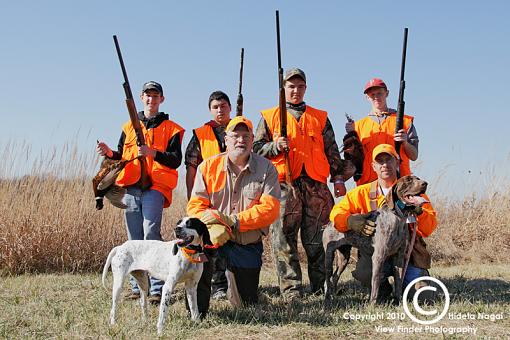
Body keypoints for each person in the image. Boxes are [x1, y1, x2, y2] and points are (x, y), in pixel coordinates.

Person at [253, 68, 355, 298]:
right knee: (283, 241)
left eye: (300, 86)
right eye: (291, 86)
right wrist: (274, 146)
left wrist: (338, 178)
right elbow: (256, 150)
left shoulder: (320, 117)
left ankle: (323, 287)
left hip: (316, 186)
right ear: (284, 89)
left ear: (306, 88)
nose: (295, 90)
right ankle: (291, 291)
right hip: (283, 185)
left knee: (319, 239)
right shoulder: (270, 117)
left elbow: (332, 152)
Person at [96, 81, 184, 304]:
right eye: (147, 95)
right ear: (141, 98)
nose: (151, 99)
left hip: (155, 188)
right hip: (131, 188)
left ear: (161, 99)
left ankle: (157, 288)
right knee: (134, 239)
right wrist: (110, 153)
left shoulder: (173, 128)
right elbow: (121, 156)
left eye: (155, 96)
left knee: (151, 235)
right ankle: (137, 288)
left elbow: (175, 160)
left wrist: (152, 152)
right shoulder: (128, 128)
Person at [187, 116, 280, 315]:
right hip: (212, 240)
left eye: (246, 135)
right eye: (235, 135)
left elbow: (270, 209)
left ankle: (240, 289)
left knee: (246, 305)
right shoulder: (207, 167)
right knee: (195, 252)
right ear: (226, 140)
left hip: (245, 242)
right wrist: (213, 227)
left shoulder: (267, 169)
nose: (241, 140)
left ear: (253, 139)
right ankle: (197, 309)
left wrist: (233, 221)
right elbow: (195, 207)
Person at [329, 144, 437, 301]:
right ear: (373, 166)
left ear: (397, 162)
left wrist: (419, 211)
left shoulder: (412, 191)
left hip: (407, 255)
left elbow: (429, 228)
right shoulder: (361, 192)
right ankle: (383, 291)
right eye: (380, 161)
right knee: (365, 271)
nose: (385, 165)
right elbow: (335, 214)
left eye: (389, 160)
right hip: (376, 253)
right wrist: (349, 221)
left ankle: (407, 287)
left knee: (423, 296)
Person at [185, 90, 232, 300]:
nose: (220, 110)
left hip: (235, 197)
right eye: (215, 107)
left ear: (230, 108)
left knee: (234, 239)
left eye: (223, 106)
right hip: (209, 197)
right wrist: (191, 197)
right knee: (212, 241)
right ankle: (216, 285)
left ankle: (235, 283)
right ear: (210, 110)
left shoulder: (240, 129)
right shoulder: (200, 134)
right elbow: (191, 167)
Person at [346, 78, 419, 186]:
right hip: (368, 185)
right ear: (367, 97)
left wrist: (405, 143)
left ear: (387, 93)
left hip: (399, 184)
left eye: (379, 93)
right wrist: (351, 136)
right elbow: (352, 160)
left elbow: (414, 156)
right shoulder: (358, 126)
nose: (376, 97)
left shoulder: (405, 121)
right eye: (372, 94)